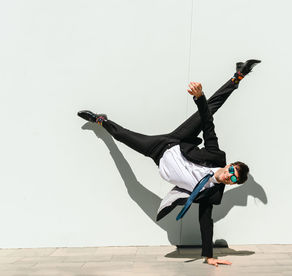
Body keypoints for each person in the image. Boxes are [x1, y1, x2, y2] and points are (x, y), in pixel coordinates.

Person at [77, 59, 261, 266]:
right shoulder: (217, 156)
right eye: (232, 171)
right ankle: (238, 76)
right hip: (175, 142)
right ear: (229, 166)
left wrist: (209, 256)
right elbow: (208, 125)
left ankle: (102, 120)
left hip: (157, 153)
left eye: (233, 180)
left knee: (125, 138)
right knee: (209, 111)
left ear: (231, 184)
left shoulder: (213, 194)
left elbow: (205, 221)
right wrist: (199, 98)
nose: (230, 176)